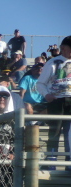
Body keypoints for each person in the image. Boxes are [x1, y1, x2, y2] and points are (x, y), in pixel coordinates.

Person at [37, 36, 71, 167]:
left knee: (70, 134)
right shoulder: (53, 62)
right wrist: (47, 95)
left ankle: (69, 164)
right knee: (54, 131)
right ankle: (50, 162)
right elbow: (40, 84)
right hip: (56, 101)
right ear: (63, 48)